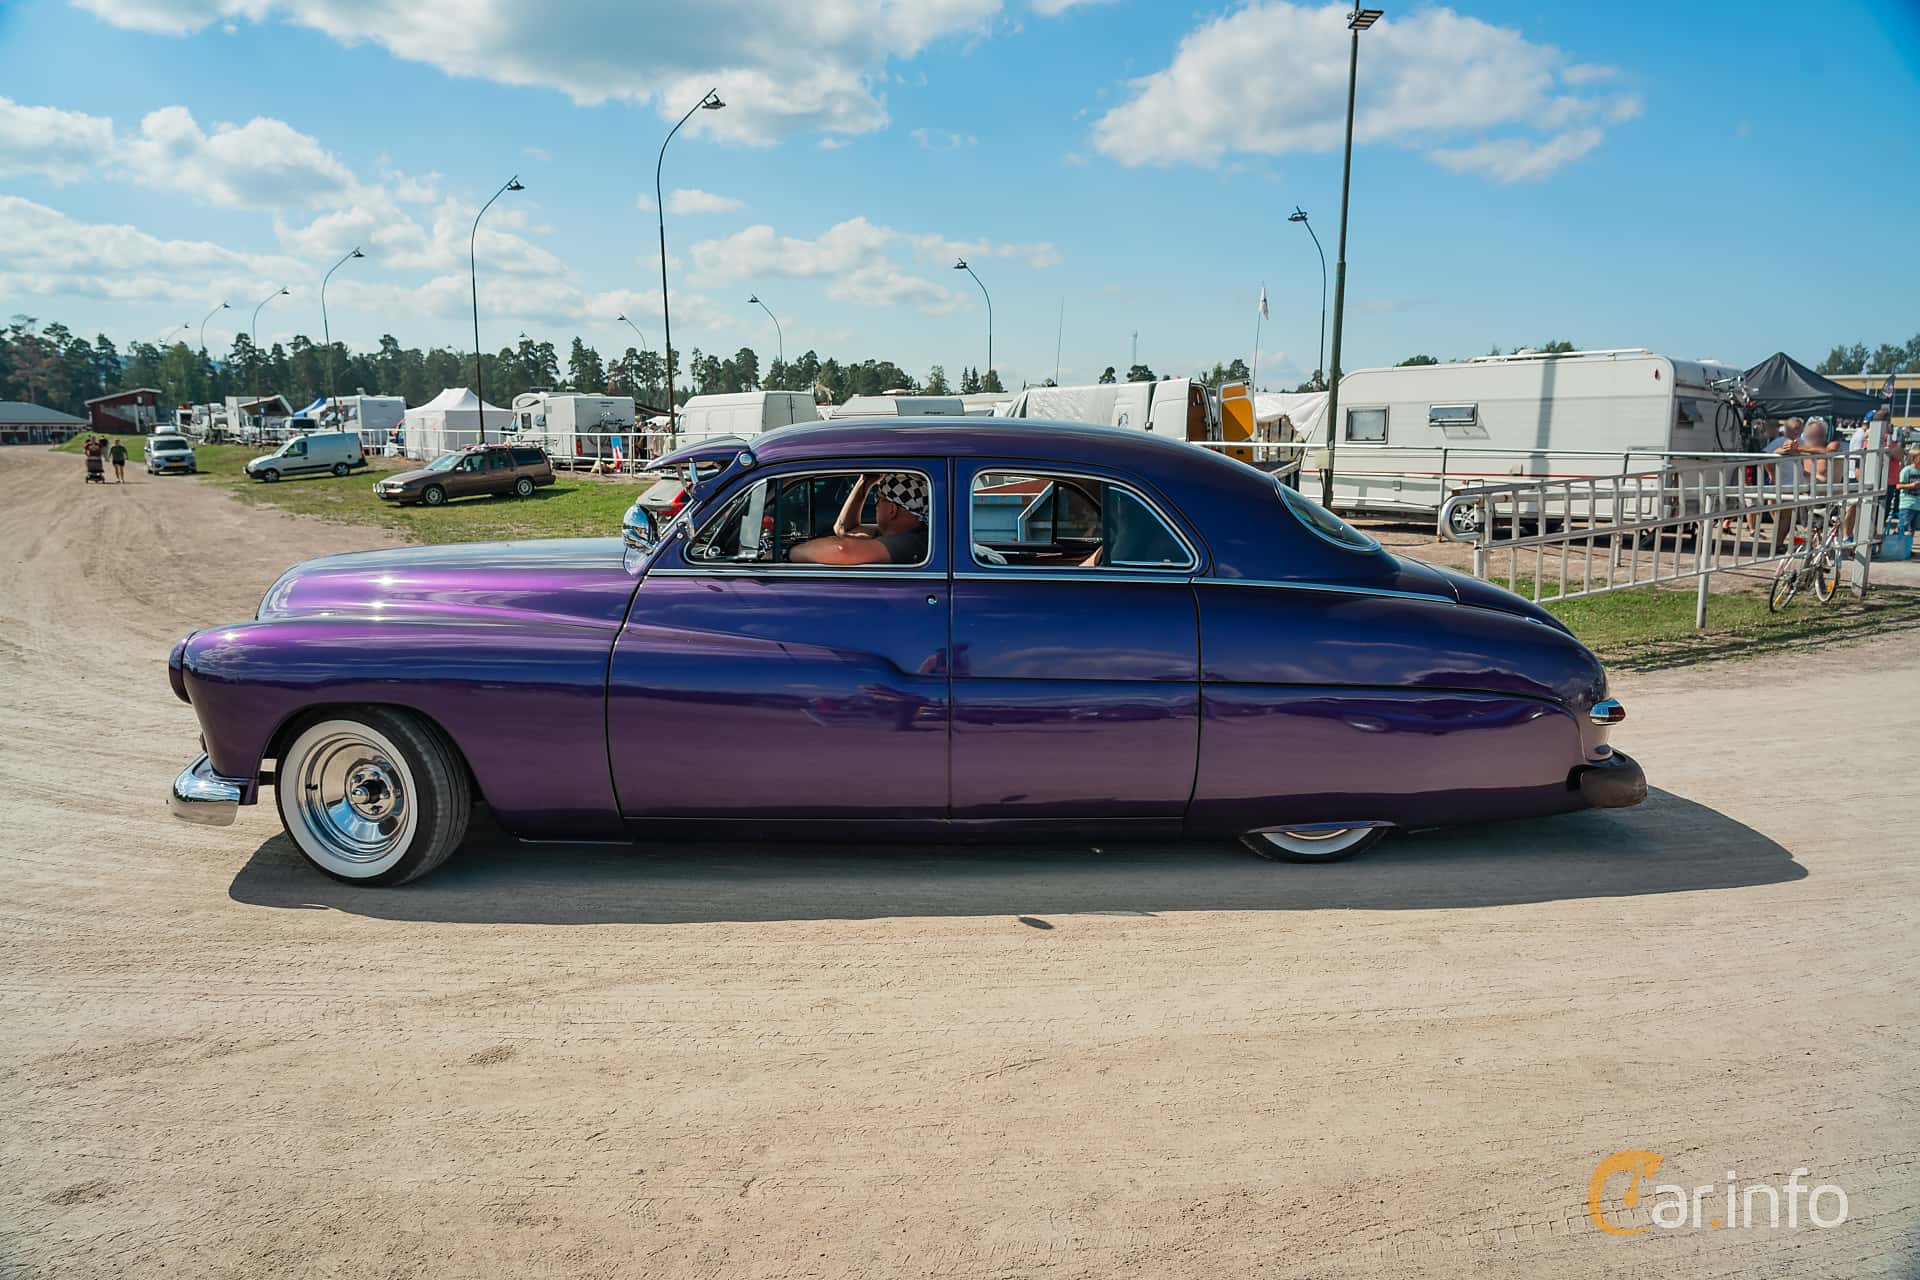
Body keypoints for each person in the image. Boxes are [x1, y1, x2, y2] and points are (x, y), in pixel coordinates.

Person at [790, 472, 929, 566]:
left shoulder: (910, 542)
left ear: (892, 510)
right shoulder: (907, 533)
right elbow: (844, 530)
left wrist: (788, 553)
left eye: (878, 499)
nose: (876, 506)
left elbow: (841, 549)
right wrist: (865, 482)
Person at [1897, 446, 1920, 536]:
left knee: (1912, 529)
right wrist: (1912, 485)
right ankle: (1898, 545)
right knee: (1904, 527)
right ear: (1913, 458)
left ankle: (1907, 547)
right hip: (1907, 504)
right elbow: (1898, 485)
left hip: (1917, 505)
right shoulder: (1907, 470)